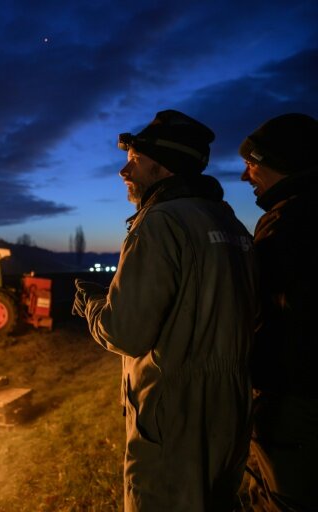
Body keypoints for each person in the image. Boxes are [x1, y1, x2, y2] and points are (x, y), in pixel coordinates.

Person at [71, 110, 257, 510]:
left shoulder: (159, 223)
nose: (124, 171)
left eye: (134, 160)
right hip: (232, 409)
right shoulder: (230, 224)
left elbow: (125, 332)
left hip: (174, 416)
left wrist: (91, 305)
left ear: (162, 165)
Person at [238, 113, 318, 511]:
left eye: (251, 163)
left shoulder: (288, 223)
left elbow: (260, 307)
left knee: (284, 496)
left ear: (281, 163)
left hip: (292, 399)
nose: (244, 176)